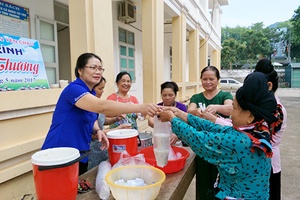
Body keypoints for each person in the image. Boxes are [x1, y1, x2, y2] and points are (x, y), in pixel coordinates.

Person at [158, 72, 283, 199]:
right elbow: (216, 128)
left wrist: (172, 119)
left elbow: (199, 140)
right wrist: (181, 114)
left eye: (234, 108)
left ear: (249, 116)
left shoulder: (241, 142)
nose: (231, 114)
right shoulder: (258, 129)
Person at [41, 53, 159, 175]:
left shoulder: (90, 93)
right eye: (93, 67)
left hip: (79, 153)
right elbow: (101, 107)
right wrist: (139, 107)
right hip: (59, 154)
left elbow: (90, 118)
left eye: (100, 68)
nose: (98, 72)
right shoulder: (74, 89)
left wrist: (97, 130)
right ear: (80, 70)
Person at [187, 66, 233, 200]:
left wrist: (217, 107)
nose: (208, 82)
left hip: (222, 145)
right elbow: (189, 111)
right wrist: (196, 112)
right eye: (204, 79)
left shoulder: (225, 95)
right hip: (202, 144)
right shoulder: (197, 97)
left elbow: (230, 109)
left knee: (221, 178)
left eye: (211, 79)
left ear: (218, 80)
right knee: (203, 179)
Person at [254, 59, 287, 200]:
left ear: (268, 86)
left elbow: (248, 132)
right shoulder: (258, 106)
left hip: (267, 163)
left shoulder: (275, 110)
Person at [87, 77, 131, 170]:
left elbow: (101, 121)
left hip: (102, 148)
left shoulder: (97, 103)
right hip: (92, 150)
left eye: (103, 88)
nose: (102, 91)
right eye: (100, 88)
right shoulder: (87, 106)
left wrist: (115, 119)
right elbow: (94, 135)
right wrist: (118, 129)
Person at [148, 81, 187, 145]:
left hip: (176, 141)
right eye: (164, 95)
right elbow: (150, 120)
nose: (167, 98)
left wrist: (178, 134)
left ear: (175, 95)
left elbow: (186, 124)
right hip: (161, 140)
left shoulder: (181, 108)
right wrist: (153, 122)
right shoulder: (158, 107)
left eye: (170, 95)